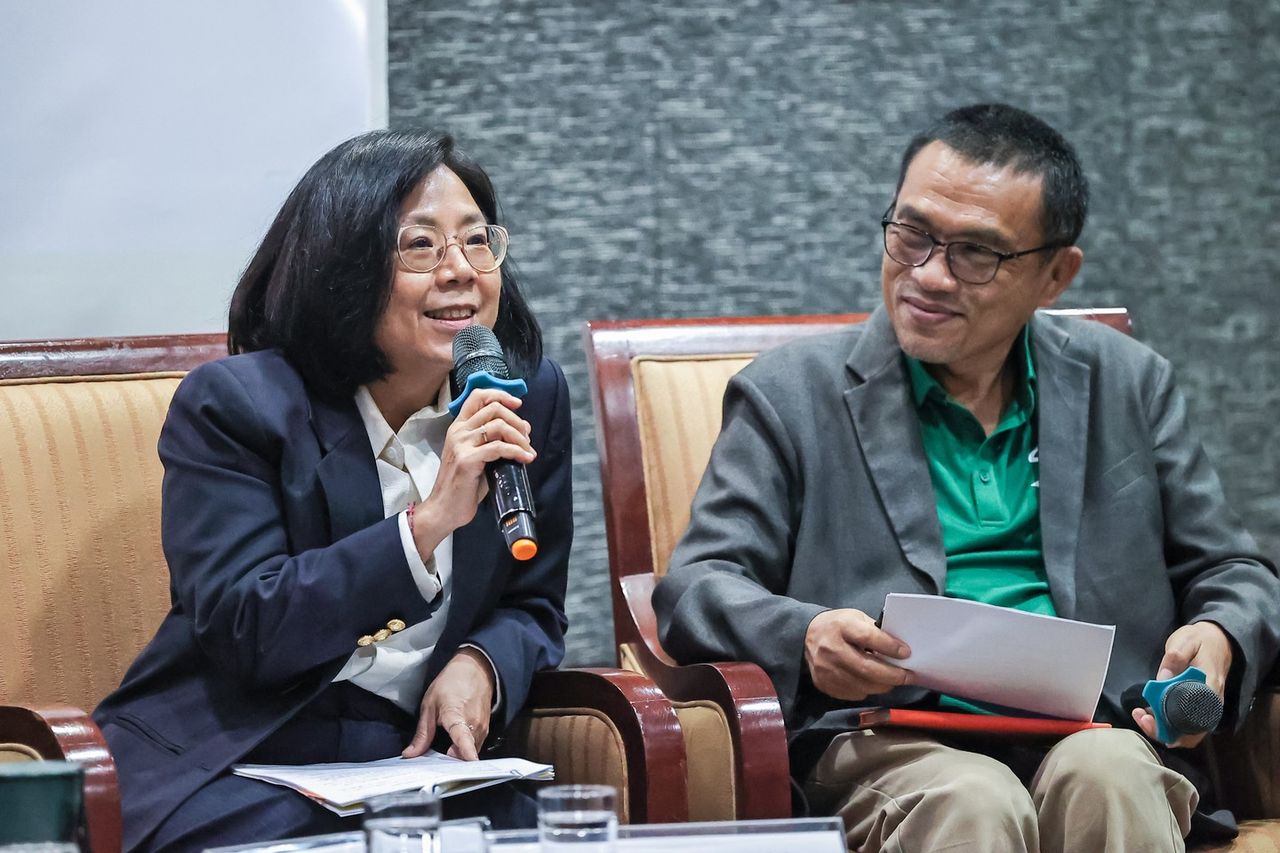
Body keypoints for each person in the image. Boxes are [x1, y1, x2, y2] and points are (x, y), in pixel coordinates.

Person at [653, 104, 1280, 852]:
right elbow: (696, 585)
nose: (927, 274)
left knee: (1111, 775)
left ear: (1056, 274)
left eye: (975, 253)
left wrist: (1218, 634)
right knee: (973, 798)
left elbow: (1232, 569)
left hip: (1094, 728)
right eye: (911, 234)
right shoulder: (790, 394)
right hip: (890, 737)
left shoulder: (1128, 384)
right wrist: (807, 633)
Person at [92, 129, 572, 852]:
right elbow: (246, 625)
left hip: (415, 764)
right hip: (241, 760)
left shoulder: (524, 395)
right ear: (344, 270)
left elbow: (533, 602)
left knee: (549, 835)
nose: (461, 271)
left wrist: (483, 664)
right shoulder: (237, 405)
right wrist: (427, 524)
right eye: (421, 246)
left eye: (478, 242)